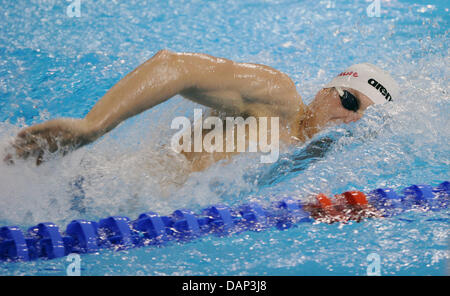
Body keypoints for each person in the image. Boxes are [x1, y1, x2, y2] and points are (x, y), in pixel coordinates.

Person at [5, 50, 399, 170]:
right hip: (100, 188)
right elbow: (176, 66)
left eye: (364, 115)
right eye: (348, 99)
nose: (350, 117)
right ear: (325, 89)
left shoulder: (314, 152)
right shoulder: (278, 98)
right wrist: (93, 127)